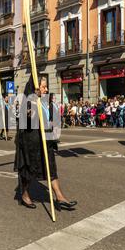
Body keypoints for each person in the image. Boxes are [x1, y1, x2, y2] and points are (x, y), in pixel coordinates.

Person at [14, 76, 77, 211]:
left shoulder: (44, 102)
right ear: (35, 89)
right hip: (31, 145)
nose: (46, 89)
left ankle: (59, 197)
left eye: (46, 86)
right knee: (30, 171)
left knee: (51, 169)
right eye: (43, 87)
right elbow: (27, 118)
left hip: (45, 141)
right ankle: (24, 193)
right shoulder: (29, 101)